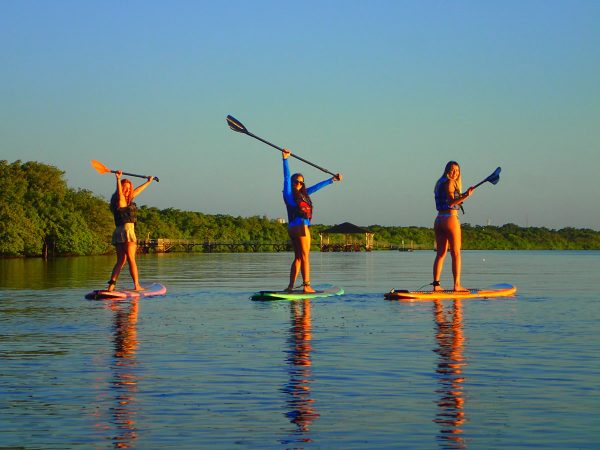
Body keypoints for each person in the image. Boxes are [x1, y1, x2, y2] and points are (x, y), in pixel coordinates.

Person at [282, 149, 342, 293]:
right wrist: (285, 160)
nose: (299, 184)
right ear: (292, 182)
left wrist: (331, 180)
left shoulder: (303, 194)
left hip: (292, 228)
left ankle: (290, 287)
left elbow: (316, 187)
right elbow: (286, 177)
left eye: (301, 183)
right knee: (305, 257)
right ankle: (306, 286)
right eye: (296, 182)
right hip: (301, 227)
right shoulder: (289, 193)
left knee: (298, 258)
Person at [107, 171, 154, 292]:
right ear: (121, 189)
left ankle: (111, 286)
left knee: (121, 261)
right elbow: (120, 193)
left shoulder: (125, 200)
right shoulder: (121, 200)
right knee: (131, 259)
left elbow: (136, 191)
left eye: (129, 189)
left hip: (118, 232)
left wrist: (148, 182)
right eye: (125, 189)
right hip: (127, 231)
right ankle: (137, 285)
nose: (128, 191)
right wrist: (118, 179)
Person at [432, 161, 474, 292]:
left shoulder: (440, 182)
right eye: (452, 170)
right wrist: (466, 195)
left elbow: (450, 199)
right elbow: (451, 202)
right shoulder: (450, 182)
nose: (455, 172)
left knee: (441, 253)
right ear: (447, 170)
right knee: (456, 253)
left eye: (457, 170)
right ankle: (457, 285)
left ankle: (436, 285)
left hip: (439, 220)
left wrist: (463, 195)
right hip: (450, 219)